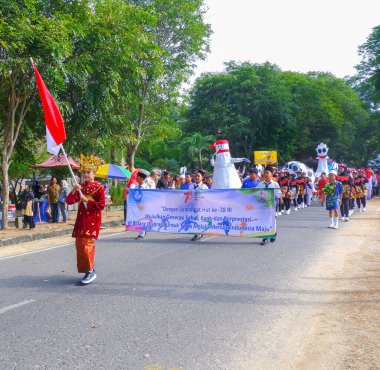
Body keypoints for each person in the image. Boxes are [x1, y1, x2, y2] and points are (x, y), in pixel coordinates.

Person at [65, 155, 105, 285]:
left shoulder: (99, 187)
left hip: (92, 219)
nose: (86, 174)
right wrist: (74, 190)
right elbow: (69, 201)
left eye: (89, 172)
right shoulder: (80, 187)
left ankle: (90, 271)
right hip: (81, 218)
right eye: (84, 172)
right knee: (79, 244)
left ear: (94, 174)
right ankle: (87, 269)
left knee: (87, 244)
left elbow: (101, 205)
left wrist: (87, 200)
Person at [256, 166, 282, 245]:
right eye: (264, 173)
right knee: (264, 220)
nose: (265, 174)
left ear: (272, 174)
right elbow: (255, 192)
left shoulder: (275, 184)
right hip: (262, 205)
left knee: (271, 219)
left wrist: (281, 198)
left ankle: (272, 233)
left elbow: (278, 193)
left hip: (271, 205)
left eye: (267, 173)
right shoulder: (260, 184)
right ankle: (265, 236)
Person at [130, 171, 149, 240]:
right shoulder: (136, 187)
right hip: (137, 205)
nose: (136, 179)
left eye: (137, 178)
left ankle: (142, 233)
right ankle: (143, 230)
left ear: (141, 178)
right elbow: (134, 196)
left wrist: (144, 205)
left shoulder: (146, 187)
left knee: (142, 218)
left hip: (144, 206)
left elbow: (148, 197)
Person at [191, 170, 209, 241]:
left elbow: (207, 196)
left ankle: (198, 234)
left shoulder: (204, 186)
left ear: (202, 178)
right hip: (193, 206)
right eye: (196, 176)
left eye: (198, 176)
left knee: (199, 219)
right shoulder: (191, 186)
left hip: (201, 206)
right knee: (194, 219)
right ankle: (198, 233)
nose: (197, 177)